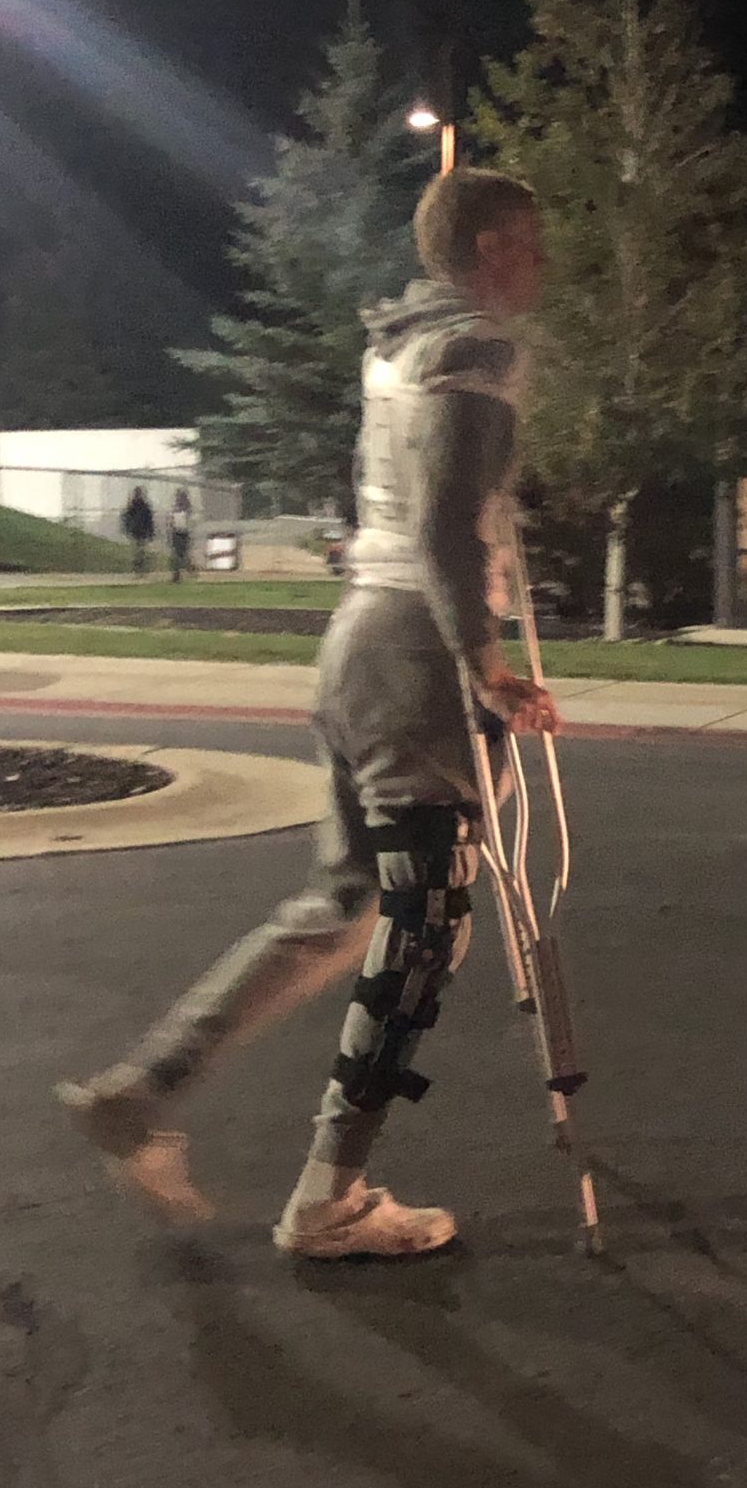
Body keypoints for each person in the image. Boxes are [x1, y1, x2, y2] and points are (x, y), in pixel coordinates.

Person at [55, 168, 559, 1258]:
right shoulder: (476, 349)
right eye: (524, 241)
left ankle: (146, 1089)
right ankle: (331, 1194)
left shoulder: (396, 347)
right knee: (422, 931)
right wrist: (482, 661)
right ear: (482, 249)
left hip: (355, 645)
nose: (540, 263)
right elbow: (441, 526)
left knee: (343, 903)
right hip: (417, 662)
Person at [120, 485, 154, 575]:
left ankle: (141, 569)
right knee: (137, 551)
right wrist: (127, 528)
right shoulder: (132, 507)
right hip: (135, 532)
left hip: (141, 532)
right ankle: (138, 569)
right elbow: (127, 518)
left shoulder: (144, 507)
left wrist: (150, 532)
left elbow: (149, 520)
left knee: (140, 551)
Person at [168, 486, 195, 582]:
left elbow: (188, 517)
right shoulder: (175, 507)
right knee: (177, 554)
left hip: (184, 532)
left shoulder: (186, 507)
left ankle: (189, 569)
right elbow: (171, 520)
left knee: (183, 553)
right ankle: (177, 574)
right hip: (176, 532)